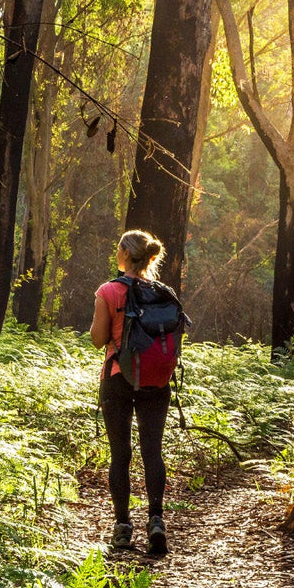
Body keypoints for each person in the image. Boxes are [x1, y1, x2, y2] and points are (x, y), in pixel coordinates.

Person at [90, 229, 171, 555]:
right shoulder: (164, 292)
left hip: (118, 377)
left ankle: (123, 526)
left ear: (125, 253)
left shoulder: (109, 291)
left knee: (120, 453)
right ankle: (156, 521)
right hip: (156, 381)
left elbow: (98, 339)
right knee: (152, 451)